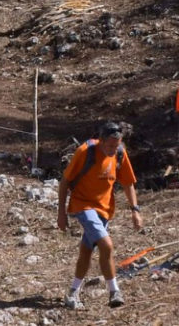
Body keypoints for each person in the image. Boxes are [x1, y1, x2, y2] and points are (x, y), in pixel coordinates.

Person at [57, 121, 142, 309]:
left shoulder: (120, 152)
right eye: (110, 146)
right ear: (100, 141)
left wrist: (135, 210)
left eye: (116, 145)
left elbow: (128, 183)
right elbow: (64, 182)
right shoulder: (85, 151)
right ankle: (114, 291)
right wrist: (61, 213)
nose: (113, 149)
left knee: (86, 251)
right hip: (82, 205)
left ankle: (72, 292)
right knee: (106, 244)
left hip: (104, 209)